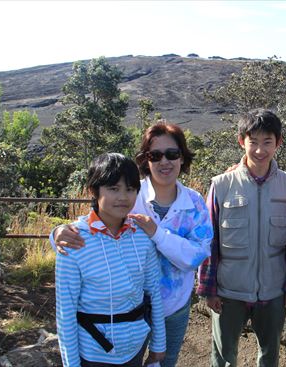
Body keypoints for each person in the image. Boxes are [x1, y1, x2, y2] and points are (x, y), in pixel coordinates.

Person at [53, 122, 214, 367]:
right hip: (123, 308)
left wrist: (157, 233)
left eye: (172, 154)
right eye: (155, 155)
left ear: (182, 158)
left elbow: (197, 255)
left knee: (163, 361)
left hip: (173, 306)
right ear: (145, 159)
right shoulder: (130, 193)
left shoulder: (194, 202)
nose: (165, 162)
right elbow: (93, 227)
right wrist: (57, 234)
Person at [197, 108, 286, 367]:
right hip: (229, 290)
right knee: (224, 356)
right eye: (253, 141)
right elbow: (208, 240)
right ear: (241, 141)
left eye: (267, 142)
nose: (259, 149)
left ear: (279, 142)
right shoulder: (221, 184)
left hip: (274, 288)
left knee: (270, 355)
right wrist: (208, 289)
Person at [55, 153, 166, 367]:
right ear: (93, 191)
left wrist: (158, 345)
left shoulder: (142, 237)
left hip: (135, 347)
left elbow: (154, 292)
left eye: (130, 189)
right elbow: (65, 312)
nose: (123, 197)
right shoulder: (74, 241)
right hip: (94, 353)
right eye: (114, 189)